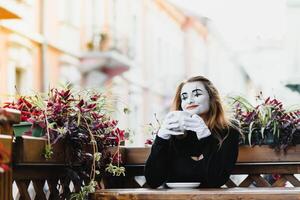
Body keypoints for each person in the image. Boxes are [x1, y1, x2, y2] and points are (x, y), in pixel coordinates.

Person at [145, 75, 240, 188]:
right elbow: (153, 180)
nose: (189, 100)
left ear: (211, 98)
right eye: (184, 97)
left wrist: (205, 137)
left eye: (197, 94)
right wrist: (161, 139)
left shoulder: (228, 130)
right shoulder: (174, 130)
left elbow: (216, 179)